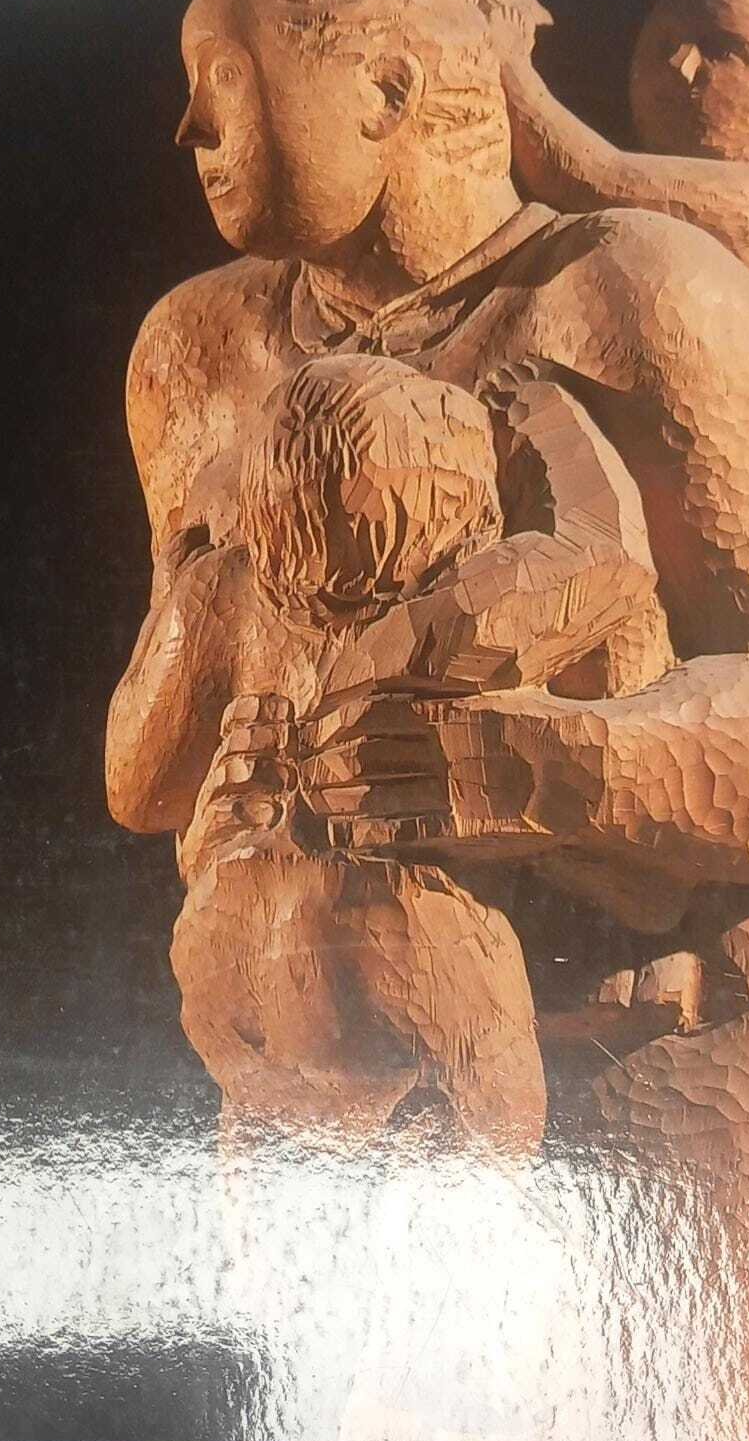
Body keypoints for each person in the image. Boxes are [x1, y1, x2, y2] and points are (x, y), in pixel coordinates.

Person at [111, 0, 749, 1441]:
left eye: (226, 83)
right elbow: (151, 768)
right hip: (377, 1093)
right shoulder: (198, 354)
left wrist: (523, 769)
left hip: (704, 1048)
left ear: (386, 90)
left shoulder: (637, 291)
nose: (191, 130)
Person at [109, 350, 673, 1150]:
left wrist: (169, 594)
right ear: (464, 518)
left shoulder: (220, 594)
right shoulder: (457, 617)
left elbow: (134, 792)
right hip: (399, 956)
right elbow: (609, 553)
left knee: (267, 1160)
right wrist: (549, 414)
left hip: (228, 946)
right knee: (479, 1153)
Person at [485, 0, 749, 575]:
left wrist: (505, 57)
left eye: (725, 49)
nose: (680, 64)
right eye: (666, 40)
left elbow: (584, 173)